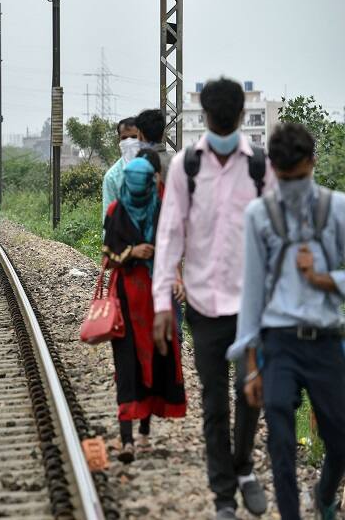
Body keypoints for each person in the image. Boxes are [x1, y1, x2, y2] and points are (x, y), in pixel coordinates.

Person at [152, 77, 276, 520]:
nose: (222, 125)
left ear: (240, 118)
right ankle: (224, 496)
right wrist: (164, 303)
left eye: (228, 119)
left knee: (250, 396)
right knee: (213, 403)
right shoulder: (186, 166)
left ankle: (243, 467)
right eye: (216, 118)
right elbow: (169, 236)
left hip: (251, 308)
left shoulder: (261, 168)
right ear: (205, 117)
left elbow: (275, 238)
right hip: (203, 307)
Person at [227, 123, 345, 520]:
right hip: (278, 342)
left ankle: (325, 493)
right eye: (285, 178)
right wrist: (250, 365)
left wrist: (323, 278)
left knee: (340, 439)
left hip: (327, 339)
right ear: (273, 170)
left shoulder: (336, 208)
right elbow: (252, 292)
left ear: (312, 164)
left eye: (300, 177)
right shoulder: (259, 215)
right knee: (280, 441)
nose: (292, 186)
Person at [102, 156, 186, 464]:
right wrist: (132, 253)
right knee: (126, 366)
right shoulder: (116, 212)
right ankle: (127, 439)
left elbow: (172, 249)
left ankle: (145, 434)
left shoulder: (161, 211)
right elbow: (108, 257)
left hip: (155, 299)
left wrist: (176, 276)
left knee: (152, 360)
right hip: (126, 299)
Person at [102, 117, 139, 226]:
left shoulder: (154, 168)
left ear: (141, 137)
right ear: (119, 140)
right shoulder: (112, 177)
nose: (129, 142)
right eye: (124, 138)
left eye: (133, 137)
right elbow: (108, 216)